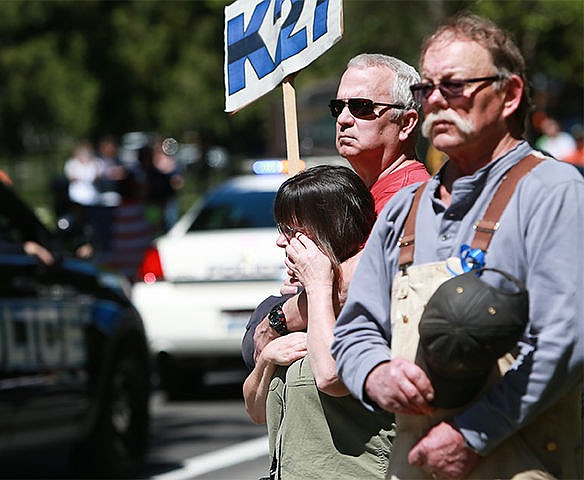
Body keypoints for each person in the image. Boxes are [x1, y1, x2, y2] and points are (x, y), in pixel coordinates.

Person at [330, 13, 582, 480]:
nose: (437, 102)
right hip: (414, 463)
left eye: (456, 86)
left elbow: (565, 340)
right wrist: (375, 375)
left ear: (509, 95)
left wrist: (473, 433)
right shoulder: (405, 208)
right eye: (427, 90)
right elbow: (354, 330)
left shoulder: (553, 190)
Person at [241, 53, 430, 479]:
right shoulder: (362, 195)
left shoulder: (413, 195)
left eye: (362, 108)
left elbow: (345, 286)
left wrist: (275, 318)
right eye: (337, 107)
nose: (344, 118)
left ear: (407, 122)